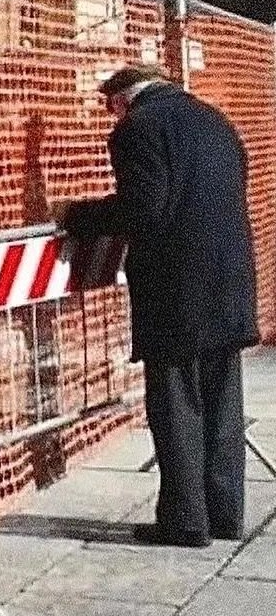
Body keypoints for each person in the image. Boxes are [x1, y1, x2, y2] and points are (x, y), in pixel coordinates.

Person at [59, 65, 258, 549]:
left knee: (175, 405)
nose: (111, 117)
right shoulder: (216, 120)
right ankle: (226, 514)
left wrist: (77, 214)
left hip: (177, 288)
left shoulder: (138, 128)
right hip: (230, 280)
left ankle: (186, 522)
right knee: (222, 402)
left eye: (109, 108)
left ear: (122, 99)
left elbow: (144, 208)